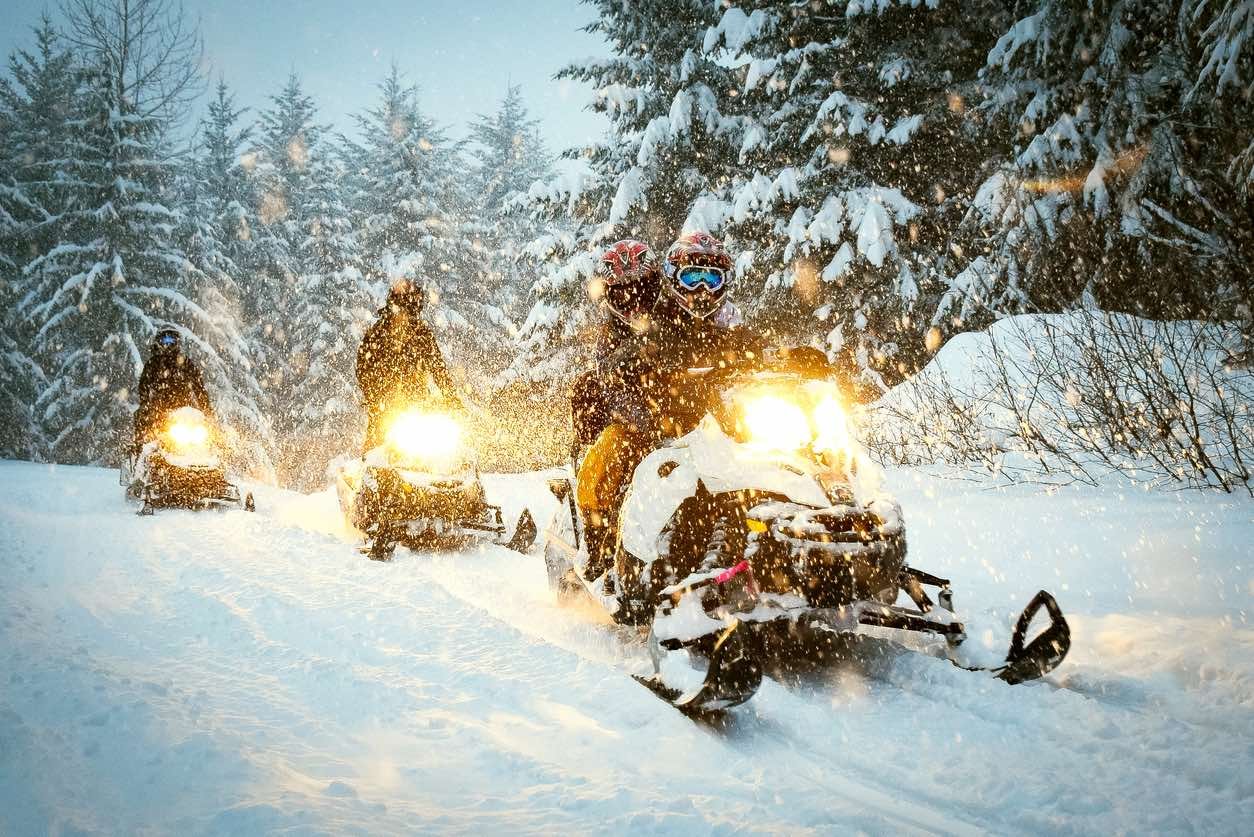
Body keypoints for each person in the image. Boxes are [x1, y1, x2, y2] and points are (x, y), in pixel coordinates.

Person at [575, 232, 766, 579]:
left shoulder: (727, 317)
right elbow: (633, 353)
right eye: (693, 277)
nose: (703, 288)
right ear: (674, 278)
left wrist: (782, 356)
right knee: (615, 450)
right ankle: (601, 539)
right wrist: (636, 358)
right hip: (654, 410)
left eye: (712, 278)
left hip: (712, 414)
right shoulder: (659, 318)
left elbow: (744, 340)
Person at [357, 279, 462, 451]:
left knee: (442, 453)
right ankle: (369, 471)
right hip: (386, 409)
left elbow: (438, 369)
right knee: (376, 450)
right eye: (404, 309)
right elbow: (363, 369)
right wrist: (374, 397)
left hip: (417, 406)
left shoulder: (422, 334)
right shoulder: (377, 334)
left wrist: (453, 401)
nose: (405, 317)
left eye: (410, 311)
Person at [133, 328, 214, 447]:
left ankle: (216, 452)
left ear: (177, 342)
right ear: (159, 342)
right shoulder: (153, 363)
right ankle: (140, 449)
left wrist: (206, 409)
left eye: (171, 340)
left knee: (208, 431)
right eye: (165, 340)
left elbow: (199, 387)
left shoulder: (185, 362)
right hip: (159, 407)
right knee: (143, 421)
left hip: (183, 407)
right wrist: (146, 403)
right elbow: (143, 386)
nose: (168, 344)